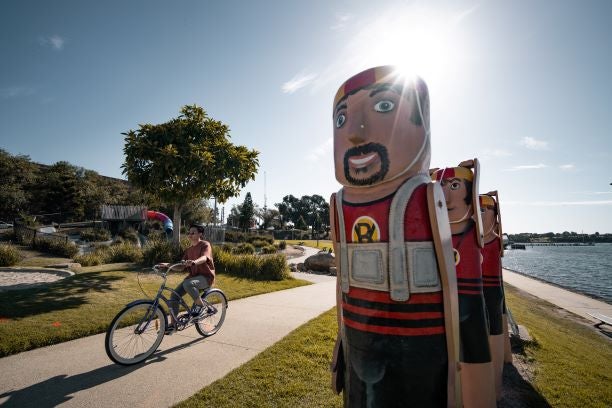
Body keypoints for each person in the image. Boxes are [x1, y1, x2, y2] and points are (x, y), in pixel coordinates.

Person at [330, 66, 461, 407]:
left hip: (419, 341)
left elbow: (449, 284)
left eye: (384, 106)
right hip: (358, 330)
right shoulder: (339, 203)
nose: (356, 133)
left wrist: (458, 368)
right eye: (342, 118)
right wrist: (341, 338)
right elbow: (341, 276)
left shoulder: (426, 195)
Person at [163, 223, 215, 333]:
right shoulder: (188, 250)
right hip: (193, 278)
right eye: (189, 233)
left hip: (206, 277)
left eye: (193, 233)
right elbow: (181, 267)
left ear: (200, 234)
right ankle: (173, 325)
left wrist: (194, 262)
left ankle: (200, 305)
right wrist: (167, 265)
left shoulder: (205, 244)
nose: (190, 235)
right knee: (174, 295)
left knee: (188, 283)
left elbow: (205, 258)